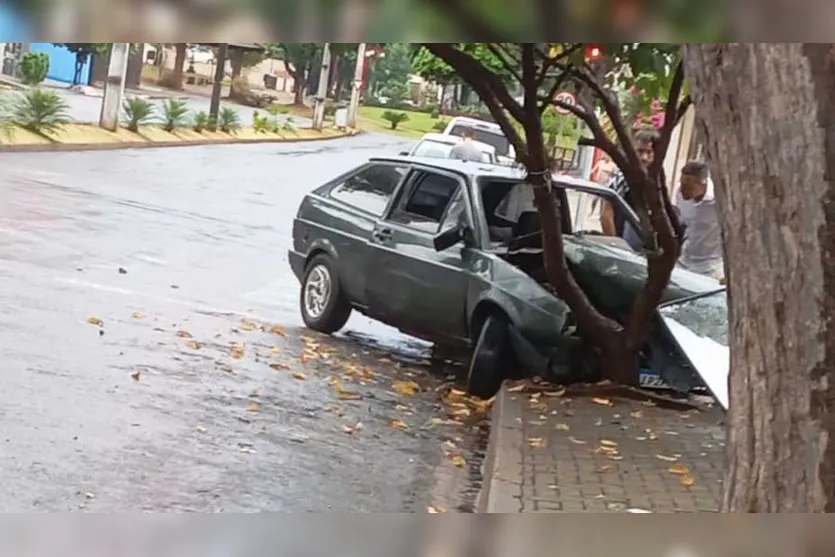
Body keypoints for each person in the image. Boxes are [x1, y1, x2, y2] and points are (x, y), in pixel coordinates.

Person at [600, 127, 659, 251]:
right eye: (640, 151)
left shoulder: (657, 182)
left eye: (649, 152)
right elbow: (606, 214)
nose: (644, 157)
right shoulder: (623, 177)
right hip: (623, 247)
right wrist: (615, 247)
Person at [676, 160, 724, 280]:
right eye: (681, 183)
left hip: (710, 265)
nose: (682, 189)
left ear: (702, 185)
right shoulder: (679, 193)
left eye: (687, 185)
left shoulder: (717, 200)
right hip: (685, 258)